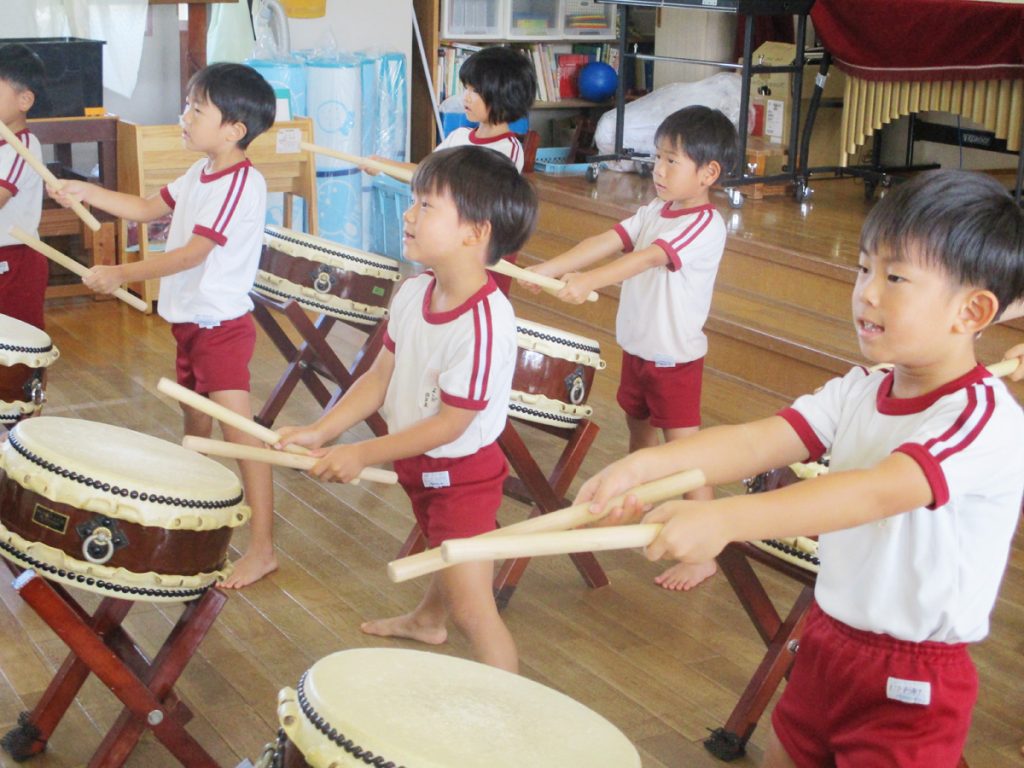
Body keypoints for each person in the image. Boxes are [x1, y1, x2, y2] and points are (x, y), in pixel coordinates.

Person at [576, 169, 1024, 768]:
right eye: (864, 268)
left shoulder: (981, 419)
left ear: (971, 311)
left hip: (912, 674)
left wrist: (728, 518)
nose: (866, 292)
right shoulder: (863, 387)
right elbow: (762, 440)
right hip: (825, 636)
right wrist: (649, 463)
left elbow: (873, 493)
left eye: (896, 278)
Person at [277, 146, 537, 672]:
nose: (408, 213)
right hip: (421, 463)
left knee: (474, 609)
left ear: (474, 232)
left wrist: (364, 453)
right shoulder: (415, 291)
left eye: (426, 205)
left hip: (462, 474)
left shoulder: (485, 323)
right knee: (443, 552)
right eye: (413, 201)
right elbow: (379, 377)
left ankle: (514, 720)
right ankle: (426, 619)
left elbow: (451, 423)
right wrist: (321, 430)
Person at [50, 63, 279, 589]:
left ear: (234, 129)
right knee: (195, 433)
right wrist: (85, 192)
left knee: (242, 438)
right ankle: (190, 526)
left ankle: (263, 546)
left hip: (220, 326)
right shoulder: (201, 173)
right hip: (189, 325)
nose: (185, 116)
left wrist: (122, 274)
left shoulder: (242, 183)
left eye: (197, 109)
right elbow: (145, 207)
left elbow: (191, 255)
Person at [527, 105, 738, 591]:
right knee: (639, 434)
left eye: (671, 162)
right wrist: (550, 269)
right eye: (657, 159)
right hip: (640, 350)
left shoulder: (704, 225)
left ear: (708, 174)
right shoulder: (654, 212)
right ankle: (642, 508)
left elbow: (644, 259)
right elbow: (608, 240)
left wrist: (587, 282)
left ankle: (706, 549)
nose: (658, 171)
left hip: (673, 357)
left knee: (685, 454)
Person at [0, 43, 48, 329]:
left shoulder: (23, 146)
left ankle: (31, 377)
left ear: (24, 100)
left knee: (20, 345)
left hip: (15, 259)